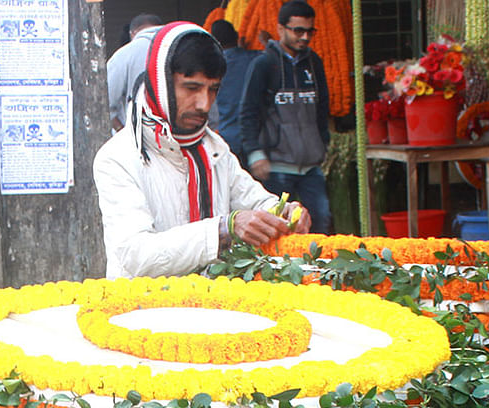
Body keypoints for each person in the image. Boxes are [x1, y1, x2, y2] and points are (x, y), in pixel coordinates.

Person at [93, 22, 309, 280]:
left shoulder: (214, 149)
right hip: (142, 309)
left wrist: (282, 212)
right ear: (160, 83)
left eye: (213, 89)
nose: (204, 104)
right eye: (191, 88)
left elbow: (253, 200)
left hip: (212, 305)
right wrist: (223, 229)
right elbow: (136, 256)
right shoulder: (118, 157)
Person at [238, 0, 332, 233]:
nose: (305, 37)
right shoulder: (264, 64)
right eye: (298, 30)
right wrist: (256, 154)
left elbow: (323, 109)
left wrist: (323, 143)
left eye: (310, 31)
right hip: (275, 166)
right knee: (278, 230)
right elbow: (248, 112)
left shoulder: (314, 63)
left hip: (311, 166)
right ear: (281, 29)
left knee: (321, 222)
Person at [207, 20, 261, 164]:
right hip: (257, 140)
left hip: (228, 139)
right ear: (237, 36)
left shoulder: (212, 68)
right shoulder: (254, 59)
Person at [105, 14, 163, 132]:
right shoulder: (177, 50)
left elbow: (106, 101)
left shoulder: (123, 54)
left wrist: (121, 130)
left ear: (132, 33)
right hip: (176, 139)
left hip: (134, 138)